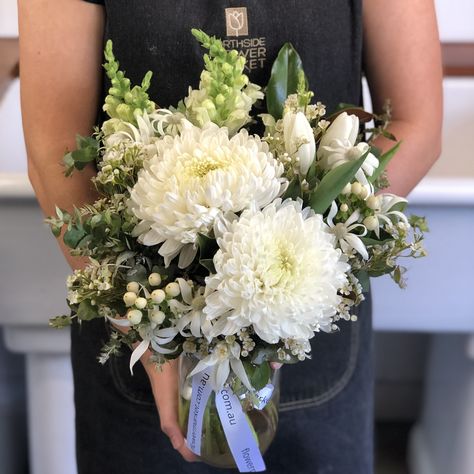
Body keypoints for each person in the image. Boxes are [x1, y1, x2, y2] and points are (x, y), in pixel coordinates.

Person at [18, 1, 442, 472]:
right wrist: (153, 332)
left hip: (308, 326)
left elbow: (414, 123)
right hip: (141, 334)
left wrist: (302, 257)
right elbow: (54, 149)